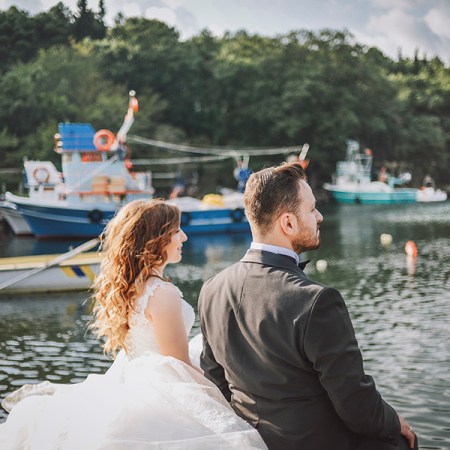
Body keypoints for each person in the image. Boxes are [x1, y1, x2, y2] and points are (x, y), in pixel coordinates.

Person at [0, 199, 267, 449]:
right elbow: (179, 364)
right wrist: (223, 392)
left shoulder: (132, 287)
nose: (184, 237)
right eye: (176, 231)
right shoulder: (162, 293)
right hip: (164, 388)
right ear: (156, 239)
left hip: (131, 375)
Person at [198, 162, 418, 450]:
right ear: (288, 223)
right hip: (318, 442)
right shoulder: (316, 300)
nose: (320, 216)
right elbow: (355, 403)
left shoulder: (211, 289)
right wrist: (394, 422)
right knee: (401, 441)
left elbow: (216, 383)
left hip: (251, 440)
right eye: (312, 209)